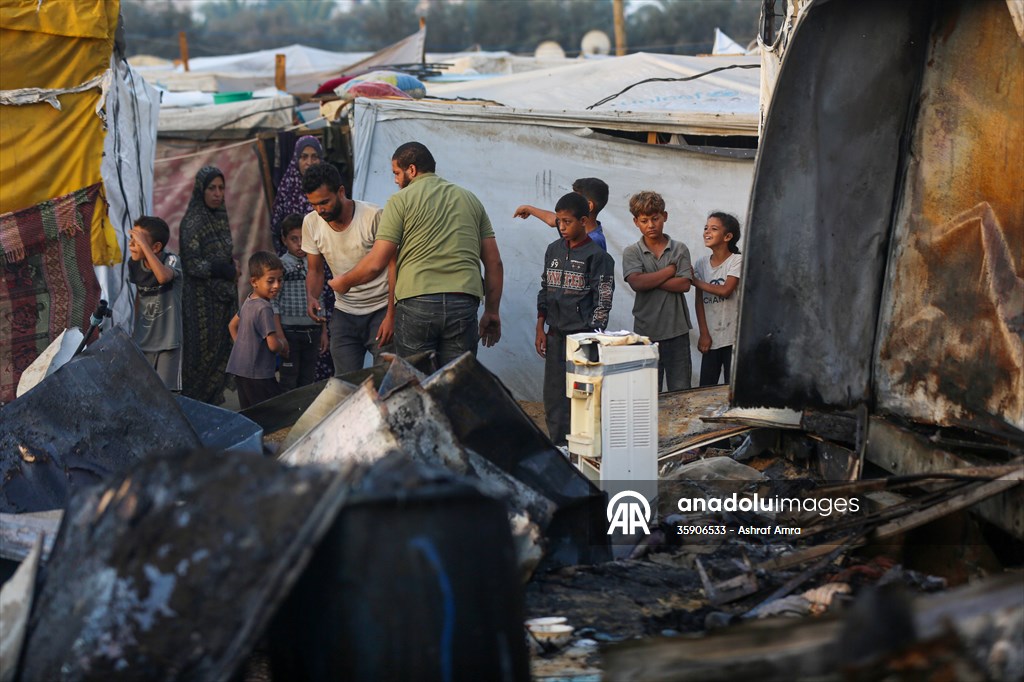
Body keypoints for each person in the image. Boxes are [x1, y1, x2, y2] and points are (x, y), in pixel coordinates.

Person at [328, 141, 503, 366]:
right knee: (457, 380)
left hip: (417, 302)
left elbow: (377, 261)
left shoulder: (400, 200)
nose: (395, 180)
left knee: (416, 381)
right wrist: (492, 311)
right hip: (463, 300)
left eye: (396, 173)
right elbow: (494, 263)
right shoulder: (470, 199)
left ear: (411, 170)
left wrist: (345, 281)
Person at [300, 162, 395, 374]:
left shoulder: (373, 216)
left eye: (324, 202)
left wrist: (392, 314)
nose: (319, 210)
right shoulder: (311, 223)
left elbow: (393, 265)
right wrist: (312, 297)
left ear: (341, 191)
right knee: (345, 384)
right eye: (313, 204)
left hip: (381, 310)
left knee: (388, 381)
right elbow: (315, 270)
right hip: (344, 313)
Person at [536, 192, 615, 445]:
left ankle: (583, 450)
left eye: (567, 221)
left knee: (582, 397)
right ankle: (559, 448)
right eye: (559, 221)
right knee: (554, 397)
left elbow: (603, 301)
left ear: (583, 220)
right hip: (555, 334)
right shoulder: (553, 250)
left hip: (582, 339)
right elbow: (545, 288)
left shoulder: (598, 256)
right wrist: (541, 326)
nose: (562, 227)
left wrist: (591, 337)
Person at [268, 134, 335, 381]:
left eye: (314, 156)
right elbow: (277, 226)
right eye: (304, 157)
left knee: (321, 323)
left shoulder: (328, 190)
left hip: (323, 269)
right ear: (296, 160)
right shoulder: (287, 188)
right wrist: (292, 255)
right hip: (295, 272)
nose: (309, 162)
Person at [622, 191, 694, 392]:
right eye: (644, 220)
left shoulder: (679, 249)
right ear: (636, 222)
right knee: (646, 393)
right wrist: (670, 271)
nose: (651, 225)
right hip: (646, 333)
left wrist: (650, 278)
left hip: (676, 330)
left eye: (655, 219)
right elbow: (636, 283)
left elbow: (684, 285)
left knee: (680, 393)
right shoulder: (632, 252)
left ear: (665, 216)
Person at [180, 165, 236, 405]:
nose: (217, 193)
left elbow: (224, 253)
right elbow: (191, 264)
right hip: (201, 303)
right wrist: (223, 270)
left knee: (222, 350)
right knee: (201, 359)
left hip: (222, 300)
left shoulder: (220, 217)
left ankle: (215, 404)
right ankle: (198, 409)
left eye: (221, 188)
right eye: (212, 188)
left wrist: (231, 267)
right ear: (200, 190)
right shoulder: (193, 221)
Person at [128, 215, 182, 391]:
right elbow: (138, 296)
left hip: (168, 342)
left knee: (167, 396)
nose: (131, 245)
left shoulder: (171, 260)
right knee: (145, 393)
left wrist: (144, 245)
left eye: (137, 241)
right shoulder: (134, 264)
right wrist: (135, 331)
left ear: (156, 247)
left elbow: (163, 277)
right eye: (131, 239)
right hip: (143, 342)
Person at [227, 251, 288, 409]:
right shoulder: (265, 308)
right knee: (270, 413)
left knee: (250, 413)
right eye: (270, 281)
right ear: (254, 281)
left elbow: (232, 325)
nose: (276, 286)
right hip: (259, 373)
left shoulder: (249, 301)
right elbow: (273, 345)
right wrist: (283, 345)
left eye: (280, 280)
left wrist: (242, 347)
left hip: (240, 369)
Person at [275, 214, 326, 390]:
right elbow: (274, 303)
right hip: (290, 333)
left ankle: (303, 416)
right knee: (289, 379)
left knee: (307, 380)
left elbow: (320, 298)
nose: (299, 244)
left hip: (312, 331)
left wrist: (324, 331)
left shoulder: (315, 265)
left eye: (303, 239)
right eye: (293, 239)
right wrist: (280, 335)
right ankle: (287, 417)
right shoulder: (280, 266)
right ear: (284, 240)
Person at [692, 211, 743, 386]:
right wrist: (704, 333)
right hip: (711, 338)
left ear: (728, 236)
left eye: (714, 229)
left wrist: (694, 281)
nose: (707, 232)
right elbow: (699, 301)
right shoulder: (701, 264)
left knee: (734, 388)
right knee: (706, 389)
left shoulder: (737, 260)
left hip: (734, 338)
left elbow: (726, 290)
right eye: (706, 228)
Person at [513, 177, 610, 251]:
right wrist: (528, 209)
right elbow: (551, 219)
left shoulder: (595, 241)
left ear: (589, 206)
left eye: (575, 198)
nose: (562, 227)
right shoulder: (572, 225)